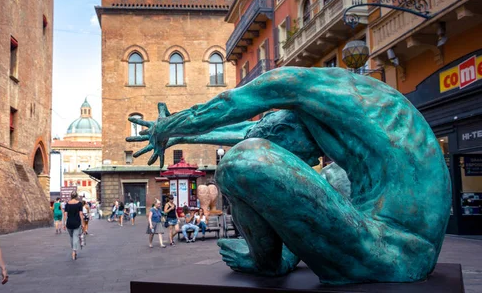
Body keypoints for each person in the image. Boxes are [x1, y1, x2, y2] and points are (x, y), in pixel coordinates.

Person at [127, 67, 452, 283]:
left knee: (241, 161)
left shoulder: (296, 84)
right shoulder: (355, 98)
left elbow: (232, 105)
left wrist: (167, 127)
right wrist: (183, 137)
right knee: (333, 177)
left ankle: (266, 262)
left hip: (389, 251)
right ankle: (285, 255)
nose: (302, 159)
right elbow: (256, 129)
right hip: (411, 250)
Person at [63, 191, 83, 260]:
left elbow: (65, 214)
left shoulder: (67, 204)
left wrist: (64, 224)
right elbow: (81, 214)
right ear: (77, 196)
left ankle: (73, 249)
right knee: (75, 237)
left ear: (71, 196)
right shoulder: (79, 204)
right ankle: (74, 251)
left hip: (69, 223)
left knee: (72, 237)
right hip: (77, 222)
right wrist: (82, 223)